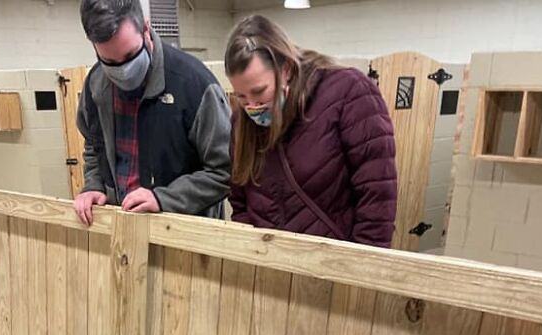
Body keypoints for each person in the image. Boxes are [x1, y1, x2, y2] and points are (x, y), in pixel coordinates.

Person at [225, 15, 398, 248]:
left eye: (259, 91)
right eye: (242, 96)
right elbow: (240, 201)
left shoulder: (349, 92)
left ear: (286, 68)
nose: (252, 106)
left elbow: (377, 195)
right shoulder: (242, 120)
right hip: (270, 265)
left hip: (334, 262)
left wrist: (362, 267)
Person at [73, 0, 231, 225]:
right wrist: (94, 186)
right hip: (121, 228)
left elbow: (224, 171)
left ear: (146, 29)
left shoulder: (195, 85)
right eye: (109, 61)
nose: (123, 70)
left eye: (130, 56)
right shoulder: (96, 84)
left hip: (183, 233)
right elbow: (93, 146)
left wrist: (164, 199)